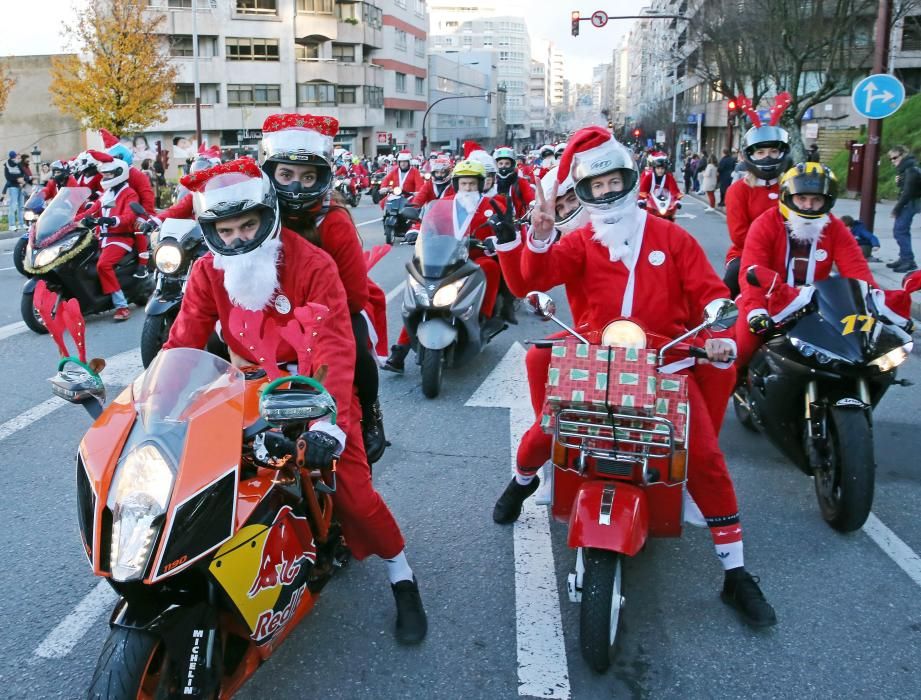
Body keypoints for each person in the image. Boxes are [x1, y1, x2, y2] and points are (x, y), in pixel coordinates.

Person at [491, 126, 777, 629]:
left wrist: (717, 321)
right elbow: (534, 278)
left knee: (705, 457)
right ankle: (520, 482)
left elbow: (710, 291)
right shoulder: (581, 241)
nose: (606, 192)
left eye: (613, 181)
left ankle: (735, 572)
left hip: (665, 364)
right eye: (595, 187)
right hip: (593, 361)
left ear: (629, 178)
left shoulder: (672, 236)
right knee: (547, 429)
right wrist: (535, 232)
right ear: (584, 193)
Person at [162, 159, 428, 644]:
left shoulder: (312, 263)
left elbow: (335, 347)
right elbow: (182, 342)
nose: (240, 237)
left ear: (269, 217)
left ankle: (401, 574)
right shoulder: (206, 270)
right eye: (227, 229)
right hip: (241, 388)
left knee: (354, 493)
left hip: (315, 387)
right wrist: (155, 402)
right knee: (195, 480)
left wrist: (328, 421)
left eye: (249, 224)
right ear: (212, 232)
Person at [260, 113, 389, 464]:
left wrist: (309, 314)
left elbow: (354, 297)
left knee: (358, 347)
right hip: (269, 310)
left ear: (322, 177)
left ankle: (372, 414)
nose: (296, 186)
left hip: (329, 313)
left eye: (308, 176)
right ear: (270, 174)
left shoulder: (333, 220)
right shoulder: (257, 214)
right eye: (286, 175)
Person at [735, 163, 877, 368]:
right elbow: (751, 270)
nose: (808, 206)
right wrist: (756, 310)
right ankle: (731, 387)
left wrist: (874, 307)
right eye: (801, 198)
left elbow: (858, 272)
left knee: (857, 356)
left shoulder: (836, 228)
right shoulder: (764, 223)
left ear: (827, 201)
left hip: (819, 306)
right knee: (742, 348)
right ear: (787, 197)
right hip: (766, 300)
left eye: (816, 199)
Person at [384, 159, 503, 373]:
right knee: (421, 293)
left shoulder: (491, 206)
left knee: (490, 267)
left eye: (472, 184)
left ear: (480, 184)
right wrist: (415, 230)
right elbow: (427, 222)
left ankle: (483, 316)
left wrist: (497, 239)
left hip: (474, 257)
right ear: (457, 184)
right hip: (444, 258)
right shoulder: (444, 203)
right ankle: (400, 349)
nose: (468, 188)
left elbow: (505, 228)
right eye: (464, 184)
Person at [723, 113, 792, 297]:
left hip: (792, 252)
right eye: (760, 153)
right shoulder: (738, 190)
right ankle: (722, 320)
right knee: (732, 278)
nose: (767, 157)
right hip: (747, 253)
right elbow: (739, 235)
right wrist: (773, 251)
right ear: (750, 155)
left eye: (773, 152)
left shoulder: (792, 187)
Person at [79, 151, 140, 321]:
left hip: (119, 238)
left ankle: (121, 305)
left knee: (103, 265)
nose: (105, 177)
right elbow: (92, 210)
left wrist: (111, 220)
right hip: (102, 238)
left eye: (109, 174)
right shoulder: (107, 194)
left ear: (119, 174)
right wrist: (71, 221)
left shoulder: (129, 194)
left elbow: (129, 217)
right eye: (104, 173)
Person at [887, 145, 920, 273]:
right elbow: (905, 188)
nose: (893, 161)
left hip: (909, 203)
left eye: (895, 158)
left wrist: (896, 209)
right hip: (909, 202)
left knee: (900, 231)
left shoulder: (910, 170)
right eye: (891, 159)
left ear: (903, 155)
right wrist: (899, 182)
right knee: (900, 230)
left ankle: (908, 260)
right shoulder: (906, 169)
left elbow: (907, 193)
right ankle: (904, 257)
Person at [493, 146, 535, 219]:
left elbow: (531, 200)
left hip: (517, 223)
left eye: (507, 163)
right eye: (501, 164)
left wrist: (532, 212)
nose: (504, 166)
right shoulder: (493, 183)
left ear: (512, 165)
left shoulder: (520, 182)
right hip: (495, 224)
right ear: (496, 165)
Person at [4, 151, 26, 230]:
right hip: (13, 187)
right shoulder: (7, 165)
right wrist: (18, 179)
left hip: (20, 186)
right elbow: (8, 177)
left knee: (21, 206)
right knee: (13, 206)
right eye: (15, 157)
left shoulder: (18, 164)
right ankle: (12, 225)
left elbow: (23, 173)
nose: (16, 158)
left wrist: (22, 181)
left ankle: (21, 224)